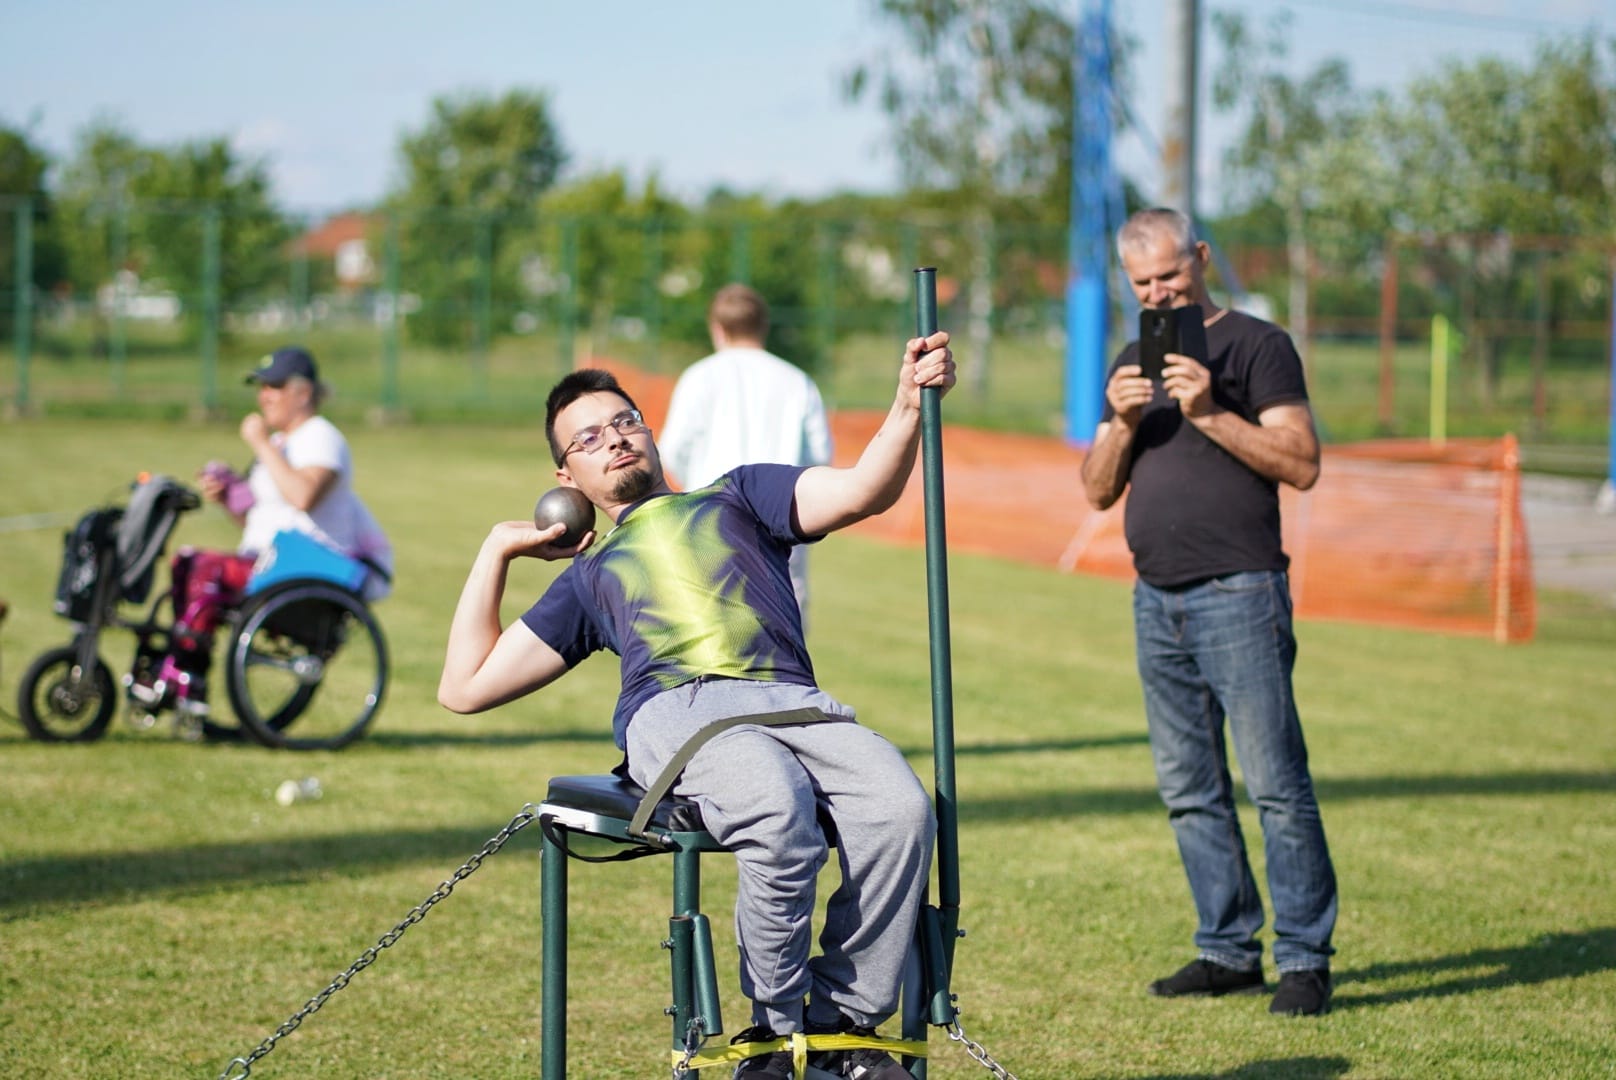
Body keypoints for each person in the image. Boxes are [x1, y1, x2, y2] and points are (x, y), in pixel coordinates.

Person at [437, 330, 955, 1079]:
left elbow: (863, 489)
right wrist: (497, 550)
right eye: (589, 437)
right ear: (567, 474)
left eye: (624, 421)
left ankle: (842, 1024)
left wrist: (908, 402)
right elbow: (464, 687)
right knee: (775, 811)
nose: (613, 439)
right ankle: (773, 1037)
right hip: (680, 711)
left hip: (792, 700)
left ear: (649, 432)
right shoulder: (590, 576)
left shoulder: (740, 494)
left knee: (900, 808)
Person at [1079, 208, 1338, 1017]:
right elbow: (1094, 487)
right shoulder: (1132, 358)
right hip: (1155, 600)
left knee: (1275, 784)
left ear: (1200, 257)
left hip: (1241, 591)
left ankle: (1304, 960)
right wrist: (1123, 422)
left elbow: (1302, 463)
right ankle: (1226, 948)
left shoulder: (1258, 345)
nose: (1159, 292)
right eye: (1143, 283)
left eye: (1170, 276)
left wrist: (1211, 413)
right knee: (1190, 787)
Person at [146, 346, 393, 715]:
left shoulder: (320, 438)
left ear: (303, 392)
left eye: (274, 386)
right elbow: (260, 521)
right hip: (269, 560)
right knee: (187, 562)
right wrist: (227, 497)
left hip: (305, 567)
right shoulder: (283, 443)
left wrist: (259, 442)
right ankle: (178, 668)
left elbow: (303, 496)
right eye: (261, 387)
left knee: (206, 568)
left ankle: (189, 677)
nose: (264, 395)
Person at [658, 283, 834, 626]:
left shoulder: (698, 377)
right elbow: (820, 455)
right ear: (763, 325)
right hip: (783, 520)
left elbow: (672, 451)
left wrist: (693, 490)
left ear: (717, 328)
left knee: (710, 624)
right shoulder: (796, 380)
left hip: (710, 517)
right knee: (785, 626)